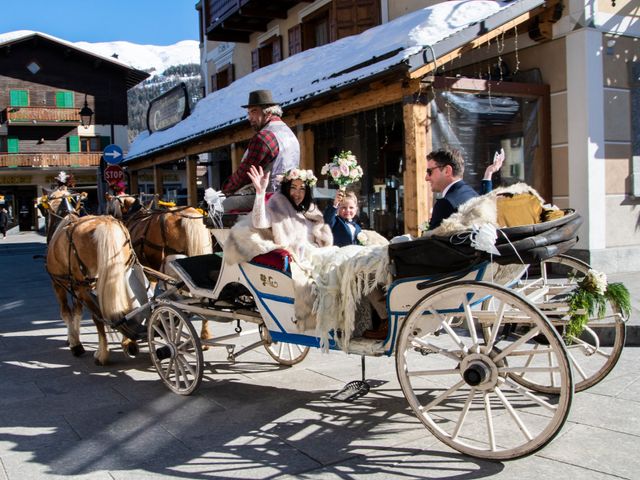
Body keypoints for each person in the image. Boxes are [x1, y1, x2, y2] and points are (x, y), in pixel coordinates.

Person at [221, 90, 300, 212]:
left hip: (268, 194)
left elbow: (245, 174)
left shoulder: (264, 137)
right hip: (290, 194)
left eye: (253, 112)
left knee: (220, 207)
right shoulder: (289, 133)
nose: (249, 118)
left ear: (268, 112)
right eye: (249, 113)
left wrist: (225, 191)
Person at [245, 165, 332, 258]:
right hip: (300, 261)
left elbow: (323, 239)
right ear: (287, 189)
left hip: (320, 255)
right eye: (293, 187)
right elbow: (259, 223)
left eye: (302, 189)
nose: (297, 193)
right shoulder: (278, 208)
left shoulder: (312, 211)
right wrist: (260, 193)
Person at [425, 147, 504, 231]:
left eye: (430, 171)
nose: (426, 178)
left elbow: (431, 241)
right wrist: (488, 173)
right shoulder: (471, 194)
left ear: (447, 171)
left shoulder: (445, 204)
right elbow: (484, 200)